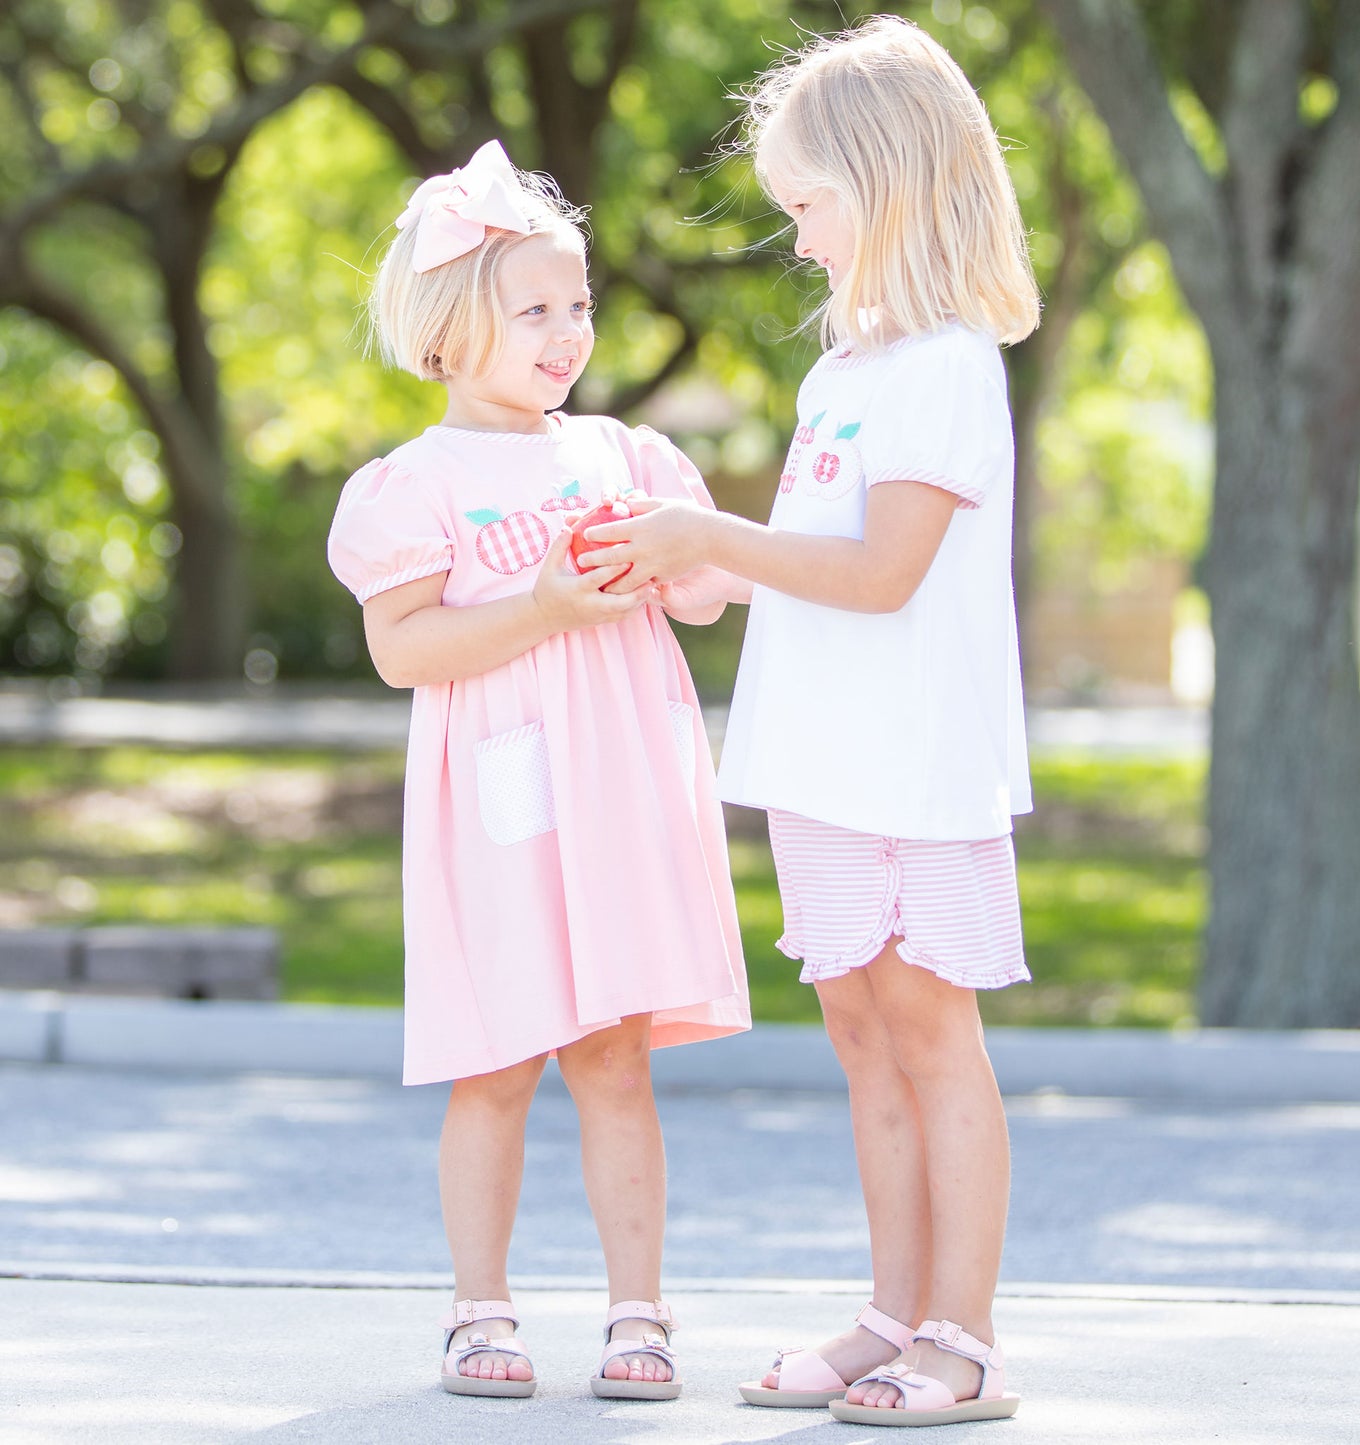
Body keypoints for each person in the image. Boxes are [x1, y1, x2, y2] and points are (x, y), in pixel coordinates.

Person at [577, 16, 1038, 1428]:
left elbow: (882, 576)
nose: (801, 240)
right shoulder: (839, 376)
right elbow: (807, 561)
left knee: (929, 1030)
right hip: (819, 764)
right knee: (857, 1029)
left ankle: (960, 1339)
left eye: (809, 205)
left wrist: (712, 527)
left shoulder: (949, 368)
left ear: (886, 180)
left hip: (917, 766)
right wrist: (687, 568)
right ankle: (893, 1313)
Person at [326, 139, 750, 1403]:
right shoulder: (419, 484)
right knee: (497, 1055)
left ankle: (639, 1311)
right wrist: (548, 605)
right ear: (450, 336)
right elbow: (405, 650)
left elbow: (704, 599)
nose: (567, 331)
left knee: (615, 1049)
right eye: (536, 310)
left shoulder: (624, 454)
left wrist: (681, 562)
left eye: (579, 305)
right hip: (501, 804)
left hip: (616, 788)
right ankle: (479, 1307)